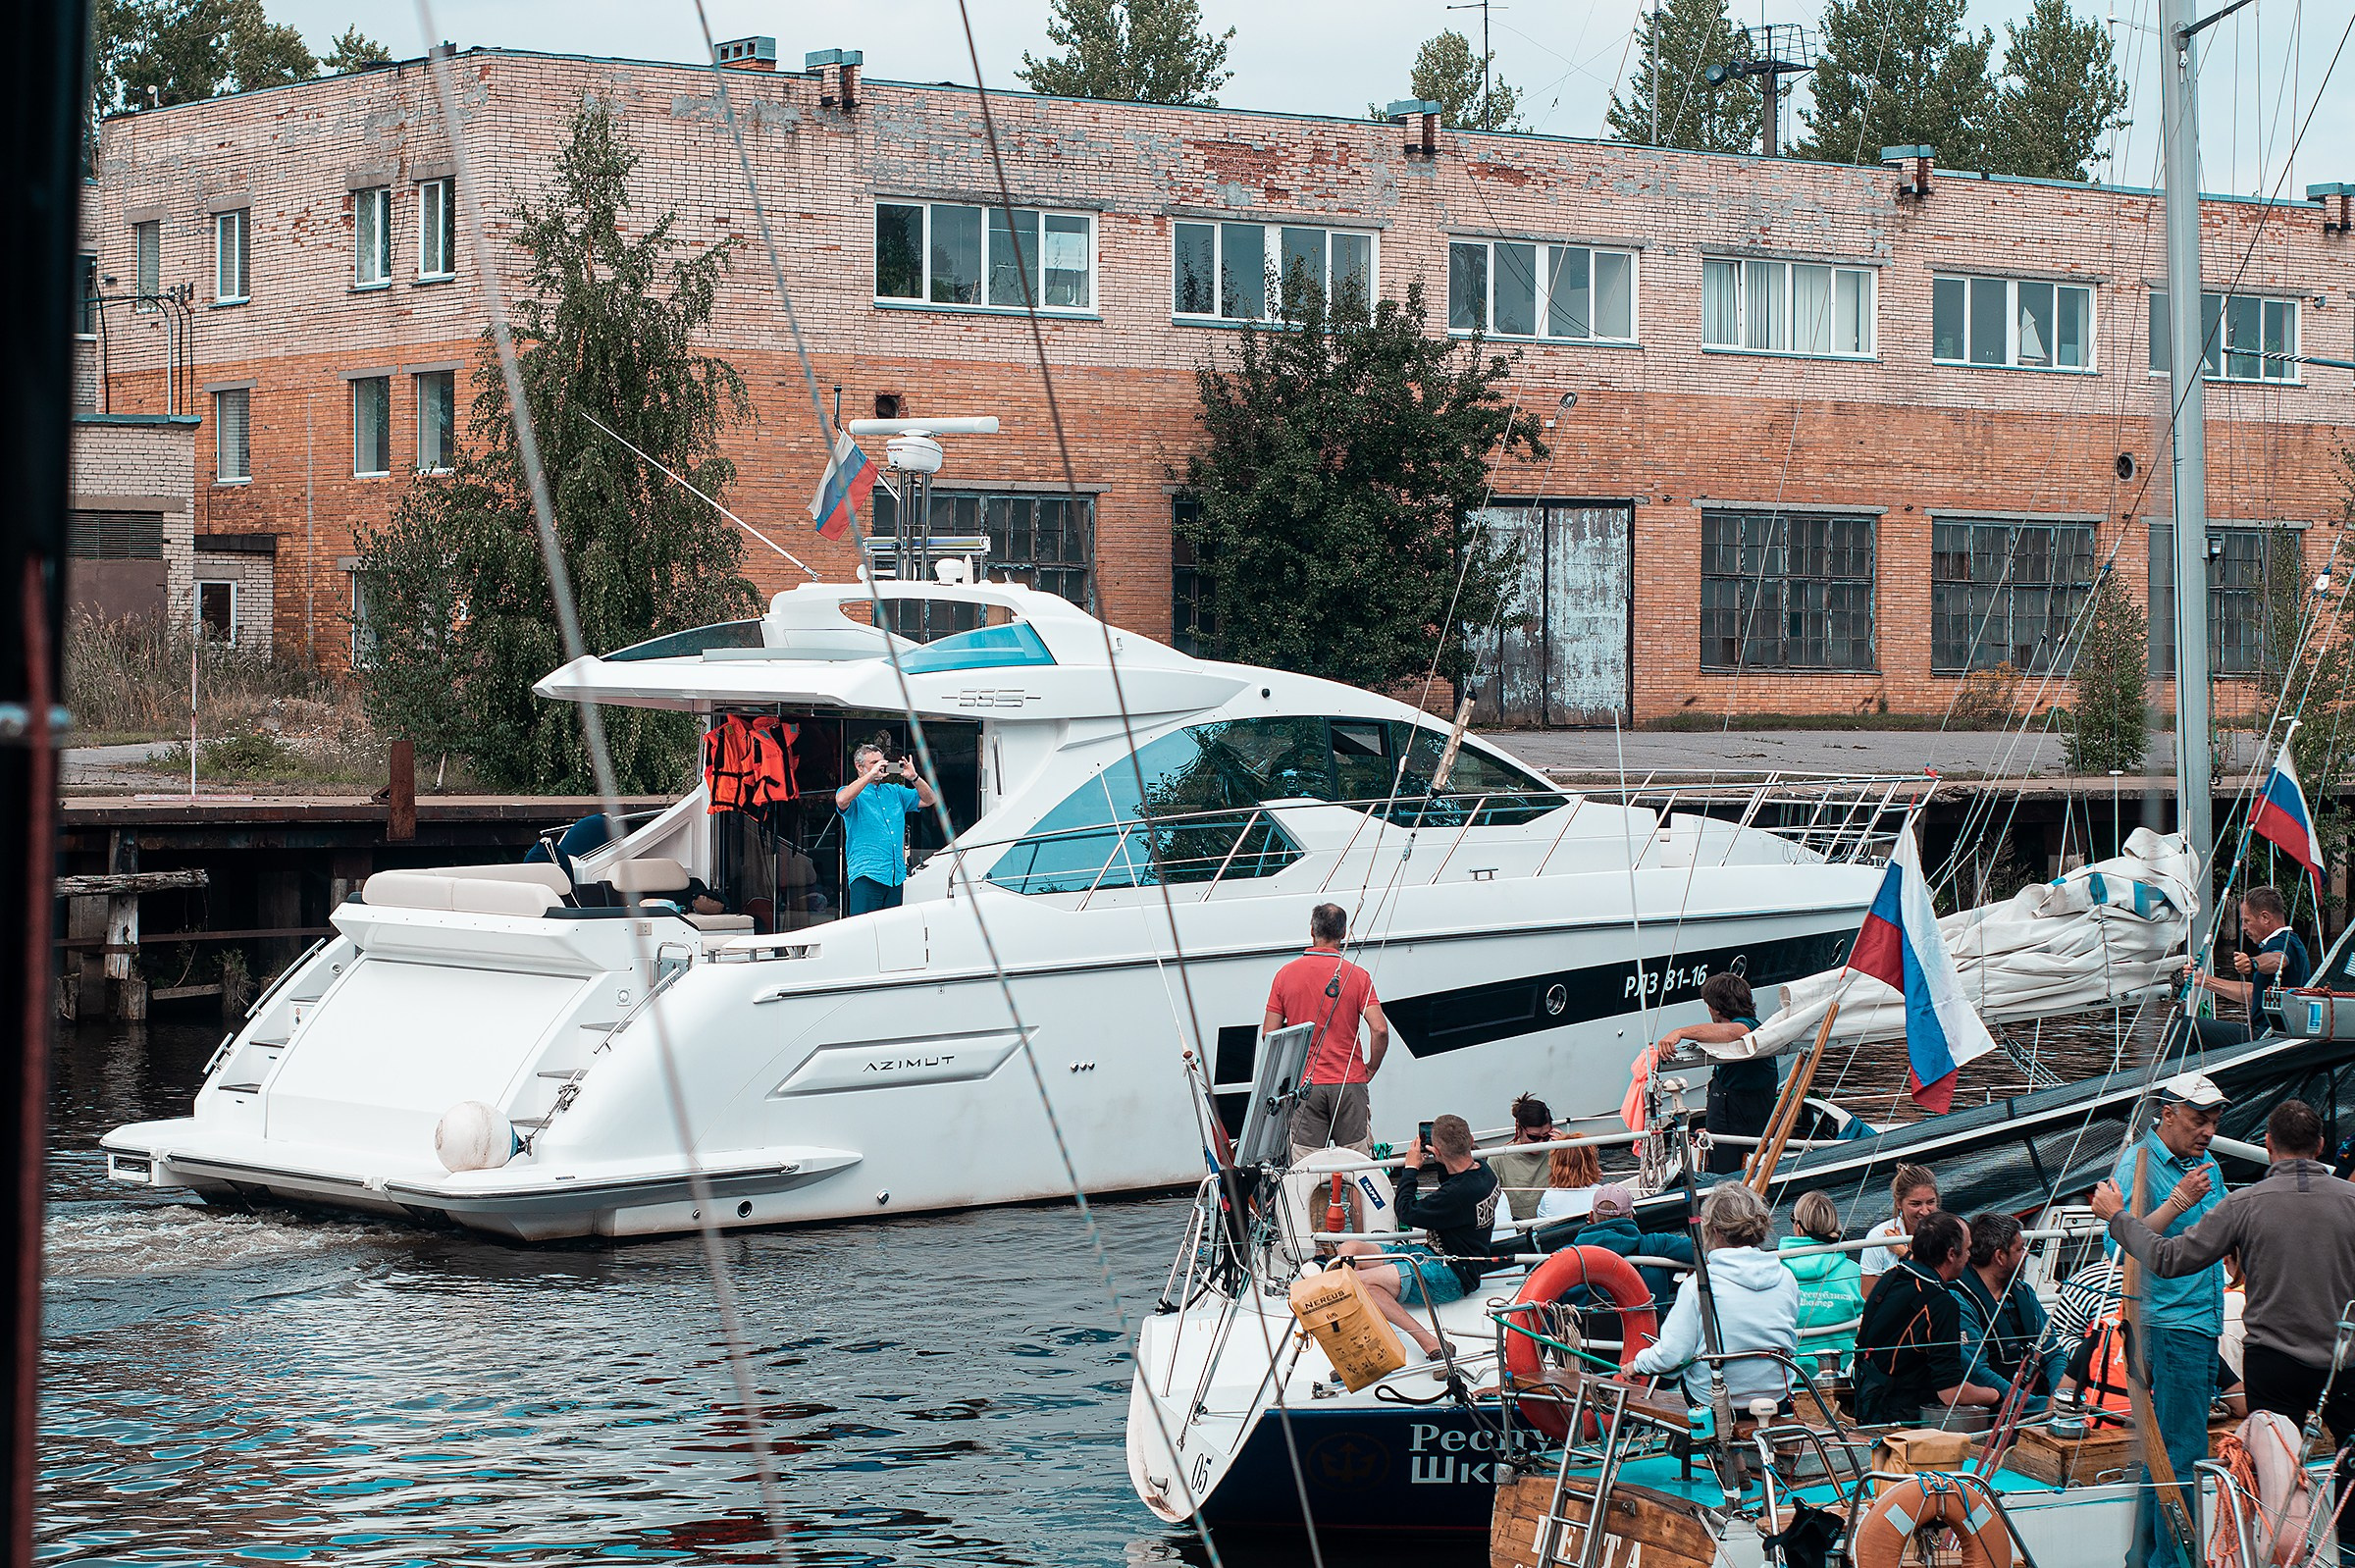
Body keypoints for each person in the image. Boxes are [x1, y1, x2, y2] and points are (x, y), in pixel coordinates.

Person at [2094, 1097, 2355, 1565]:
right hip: (2344, 1364)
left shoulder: (2244, 1203)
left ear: (2269, 1145)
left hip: (2272, 1364)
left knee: (2272, 1479)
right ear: (2320, 1146)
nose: (2209, 1130)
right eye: (2202, 1119)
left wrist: (2117, 1218)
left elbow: (2168, 1259)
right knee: (2352, 1469)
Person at [2088, 1071, 2229, 1568]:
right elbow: (2118, 1243)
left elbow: (2223, 1229)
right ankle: (2173, 1561)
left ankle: (2146, 1558)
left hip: (2199, 1319)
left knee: (2164, 1452)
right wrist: (2177, 1203)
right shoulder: (2139, 1166)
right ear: (2167, 1114)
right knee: (2182, 1453)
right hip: (2168, 1323)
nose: (2208, 1131)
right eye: (2197, 1120)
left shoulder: (2205, 1163)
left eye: (2213, 1121)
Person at [1333, 1114, 1497, 1361]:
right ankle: (1353, 1308)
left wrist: (1410, 1169)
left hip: (1453, 1272)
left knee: (1360, 1282)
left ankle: (1432, 1343)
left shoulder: (1457, 1194)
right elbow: (1452, 1179)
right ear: (1471, 1140)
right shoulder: (1484, 1172)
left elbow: (1407, 1211)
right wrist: (1442, 1158)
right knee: (1350, 1247)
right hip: (1434, 1254)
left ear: (1437, 1151)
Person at [1629, 1182, 1801, 1410]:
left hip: (1716, 1401)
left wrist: (1638, 1364)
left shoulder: (1698, 1287)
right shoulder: (1786, 1278)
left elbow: (1673, 1356)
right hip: (1778, 1395)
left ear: (1715, 1231)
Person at [1852, 1210, 2004, 1427]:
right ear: (1952, 1254)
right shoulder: (1940, 1303)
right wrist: (1996, 1396)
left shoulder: (1894, 1275)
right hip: (1904, 1420)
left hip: (1869, 1404)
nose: (1969, 1257)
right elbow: (1950, 1393)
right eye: (1968, 1250)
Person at [1267, 904, 1389, 1171]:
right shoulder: (1358, 976)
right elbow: (1379, 1029)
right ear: (1343, 933)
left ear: (1312, 930)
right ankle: (1359, 1214)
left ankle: (1313, 1214)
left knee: (1308, 1171)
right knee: (1359, 1170)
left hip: (1305, 1086)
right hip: (1349, 1082)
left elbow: (1269, 1035)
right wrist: (1371, 1067)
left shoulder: (1284, 976)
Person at [1951, 1211, 2069, 1412]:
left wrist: (2059, 1396)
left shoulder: (2025, 1293)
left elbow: (2053, 1352)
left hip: (2038, 1405)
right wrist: (2036, 1406)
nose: (2026, 1255)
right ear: (1999, 1256)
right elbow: (1976, 1372)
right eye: (2020, 1249)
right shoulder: (1959, 1300)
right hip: (1993, 1412)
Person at [1656, 972, 1770, 1176]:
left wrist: (1679, 1032)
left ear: (1716, 1008)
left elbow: (1734, 1032)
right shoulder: (1740, 1033)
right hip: (1725, 1131)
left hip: (1739, 1141)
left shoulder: (1749, 1028)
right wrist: (1710, 1129)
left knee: (1727, 1182)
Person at [2179, 886, 2311, 1044]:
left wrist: (2253, 963)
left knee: (2184, 1027)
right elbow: (2252, 994)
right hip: (2272, 1037)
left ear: (2265, 918)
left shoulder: (2283, 942)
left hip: (2267, 1037)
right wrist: (2204, 981)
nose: (2243, 928)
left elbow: (2277, 960)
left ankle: (2176, 1069)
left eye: (2246, 921)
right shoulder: (2292, 942)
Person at [834, 742, 935, 915]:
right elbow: (842, 800)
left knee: (890, 932)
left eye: (882, 762)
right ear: (859, 766)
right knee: (864, 931)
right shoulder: (852, 792)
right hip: (867, 875)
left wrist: (914, 778)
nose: (879, 767)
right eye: (873, 763)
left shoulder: (895, 791)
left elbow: (929, 799)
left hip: (895, 876)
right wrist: (869, 776)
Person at [1779, 1190, 1864, 1376]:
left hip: (1791, 1373)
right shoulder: (1853, 1271)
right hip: (1843, 1372)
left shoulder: (1777, 1271)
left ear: (1798, 1227)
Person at [1572, 1183, 1695, 1309]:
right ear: (1631, 1217)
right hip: (1654, 1327)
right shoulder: (1656, 1244)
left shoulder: (1570, 1257)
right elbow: (1703, 1249)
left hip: (1589, 1327)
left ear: (1591, 1217)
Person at [1858, 1164, 1940, 1296]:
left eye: (1930, 1202)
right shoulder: (1878, 1236)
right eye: (1915, 1204)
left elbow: (1939, 1283)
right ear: (1898, 1203)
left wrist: (1903, 1253)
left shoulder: (1949, 1232)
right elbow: (1868, 1296)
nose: (1925, 1211)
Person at [1489, 1093, 1559, 1224]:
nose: (1540, 1143)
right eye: (1534, 1137)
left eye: (1546, 1136)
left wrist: (1570, 1149)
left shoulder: (1557, 1150)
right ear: (1518, 1128)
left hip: (1552, 1224)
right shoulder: (1498, 1158)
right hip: (1515, 1227)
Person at [1533, 1139, 1603, 1222]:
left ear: (1555, 1165)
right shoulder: (1601, 1193)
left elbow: (1542, 1226)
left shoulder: (1549, 1197)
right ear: (1592, 1163)